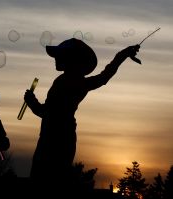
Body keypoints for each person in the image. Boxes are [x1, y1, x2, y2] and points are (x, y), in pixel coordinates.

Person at [24, 38, 140, 179]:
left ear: (71, 59)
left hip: (53, 140)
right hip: (63, 137)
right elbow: (105, 76)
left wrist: (31, 101)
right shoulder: (77, 82)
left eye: (60, 55)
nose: (55, 58)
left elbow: (47, 113)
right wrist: (124, 54)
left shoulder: (66, 82)